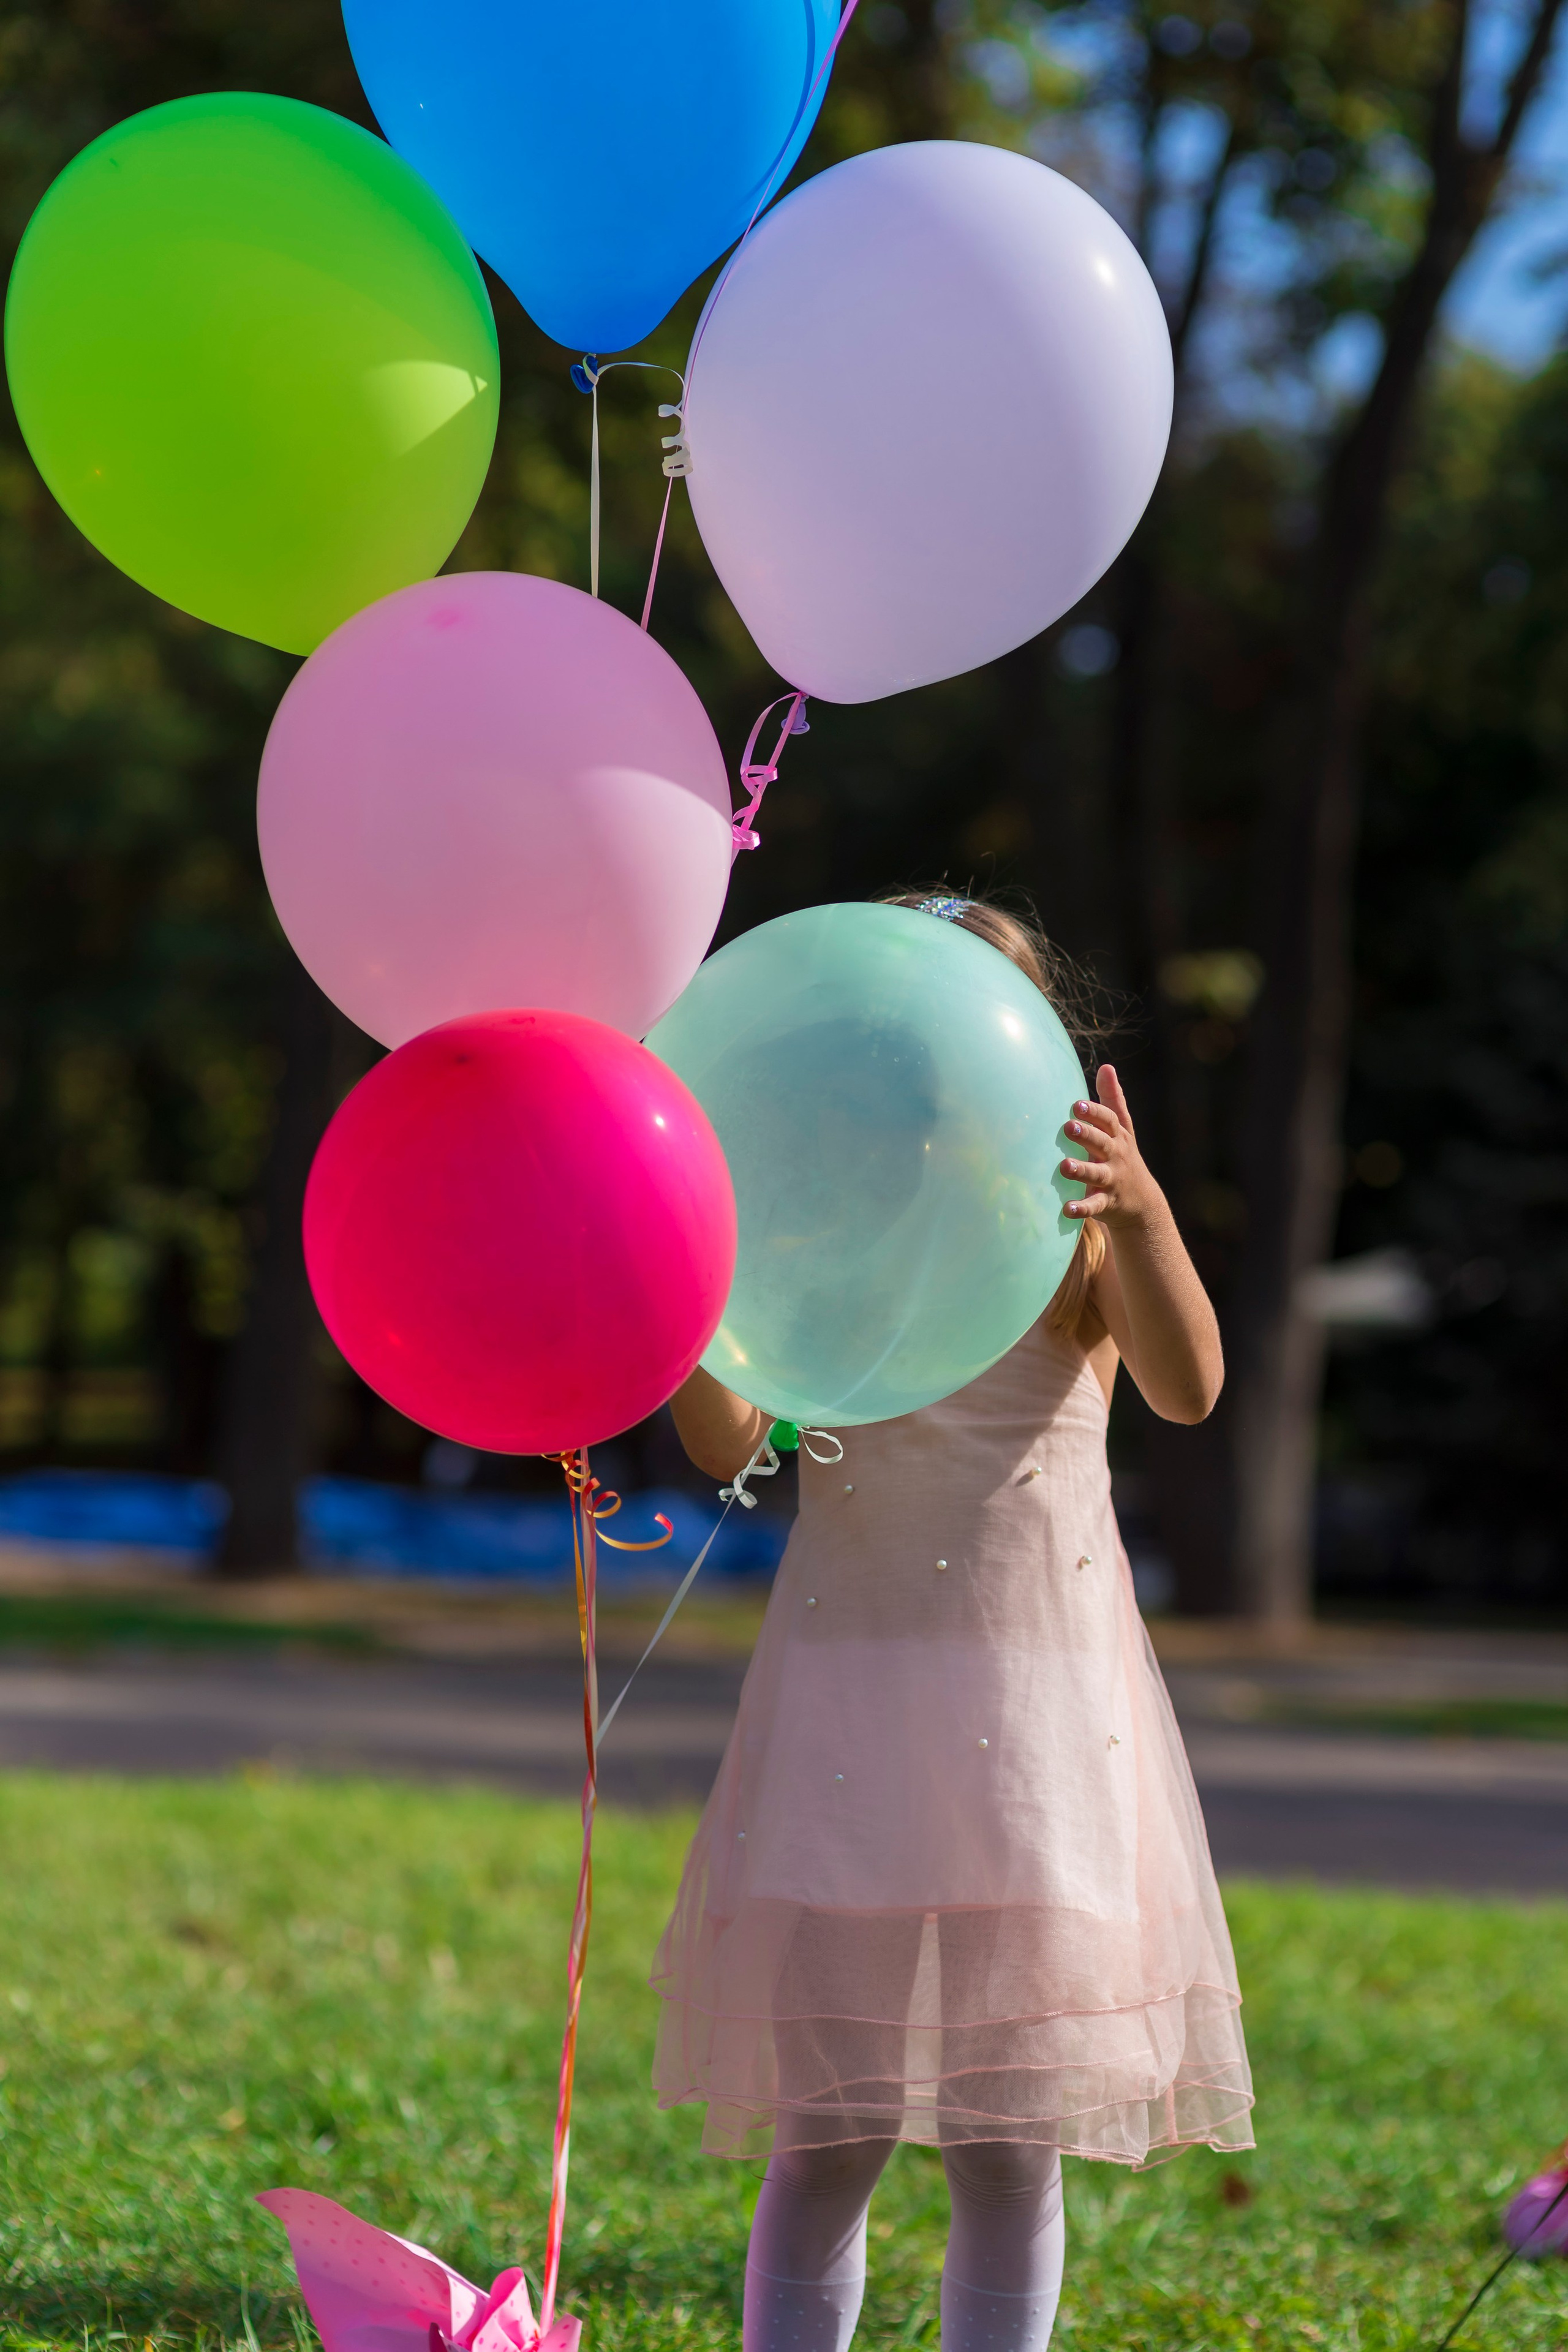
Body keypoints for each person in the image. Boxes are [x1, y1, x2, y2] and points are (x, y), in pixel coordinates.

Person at [655, 891, 1254, 2352]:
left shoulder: (1069, 1236)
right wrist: (686, 1283)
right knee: (828, 2131)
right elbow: (730, 1448)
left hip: (1037, 1719)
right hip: (848, 1708)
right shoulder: (820, 1238)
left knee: (1005, 2140)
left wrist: (1145, 1211)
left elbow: (1186, 1389)